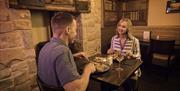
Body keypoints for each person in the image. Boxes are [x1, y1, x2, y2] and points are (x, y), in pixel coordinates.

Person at [38, 12, 96, 91]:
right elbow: (77, 89)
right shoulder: (63, 51)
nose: (76, 34)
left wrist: (72, 56)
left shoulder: (45, 47)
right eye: (75, 30)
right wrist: (88, 69)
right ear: (68, 30)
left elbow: (54, 61)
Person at [106, 18, 141, 91]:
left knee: (128, 83)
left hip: (130, 68)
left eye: (123, 27)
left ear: (128, 29)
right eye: (119, 25)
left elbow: (139, 57)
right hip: (117, 66)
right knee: (106, 82)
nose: (120, 28)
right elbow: (112, 53)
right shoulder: (113, 38)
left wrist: (132, 55)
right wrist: (109, 51)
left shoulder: (134, 40)